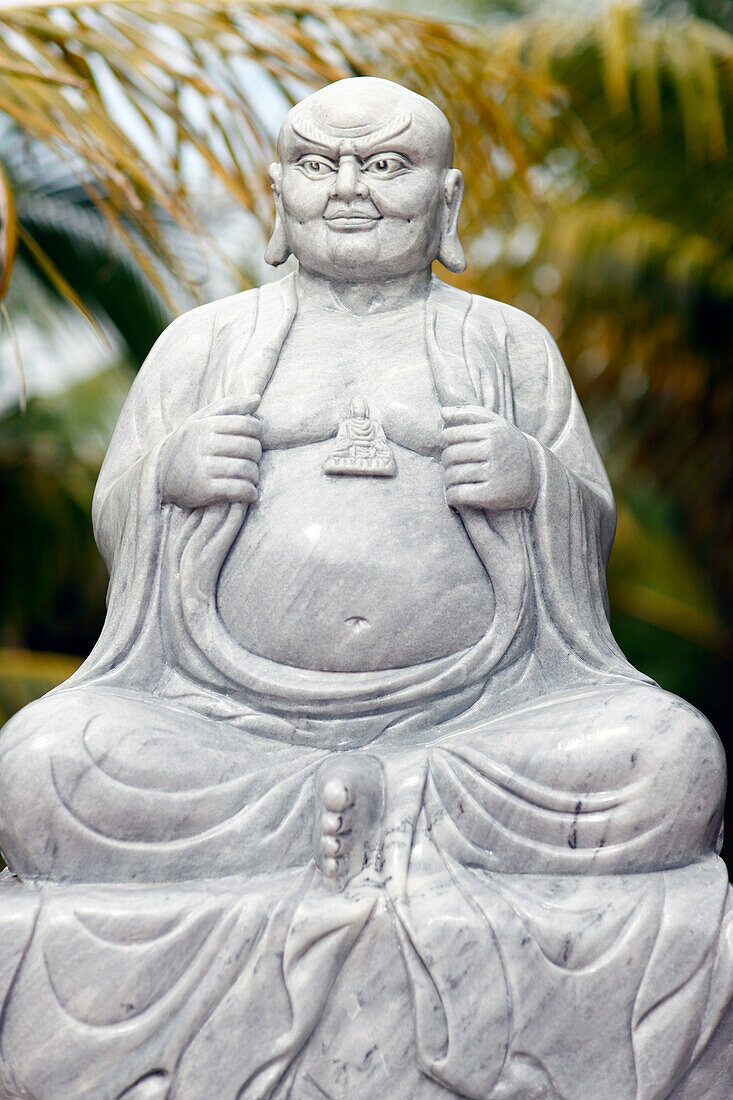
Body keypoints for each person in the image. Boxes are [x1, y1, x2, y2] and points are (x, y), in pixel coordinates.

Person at [0, 78, 728, 1100]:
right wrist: (168, 482)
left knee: (669, 759)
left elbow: (587, 533)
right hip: (229, 723)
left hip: (476, 722)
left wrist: (535, 483)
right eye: (318, 164)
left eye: (386, 166)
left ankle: (384, 809)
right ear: (275, 196)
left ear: (449, 201)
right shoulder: (203, 347)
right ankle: (328, 812)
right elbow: (119, 517)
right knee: (42, 761)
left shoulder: (505, 345)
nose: (348, 188)